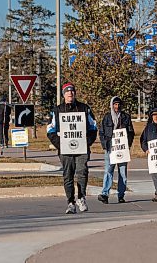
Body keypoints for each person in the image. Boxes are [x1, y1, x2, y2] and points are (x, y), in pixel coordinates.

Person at [47, 83, 97, 214]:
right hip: (65, 150)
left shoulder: (84, 108)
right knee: (68, 175)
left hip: (82, 149)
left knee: (82, 172)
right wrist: (60, 143)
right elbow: (50, 130)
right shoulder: (57, 110)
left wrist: (87, 142)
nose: (70, 94)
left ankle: (81, 197)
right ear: (63, 95)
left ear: (75, 93)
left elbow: (93, 127)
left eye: (72, 92)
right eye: (67, 92)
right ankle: (70, 202)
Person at [98, 96, 135, 204]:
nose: (117, 106)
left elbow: (131, 132)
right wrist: (105, 145)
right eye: (115, 104)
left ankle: (121, 195)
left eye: (118, 104)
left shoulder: (126, 117)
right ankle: (105, 194)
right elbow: (101, 132)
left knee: (122, 172)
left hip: (122, 149)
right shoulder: (107, 117)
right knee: (108, 171)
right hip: (110, 149)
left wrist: (127, 144)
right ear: (111, 105)